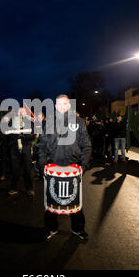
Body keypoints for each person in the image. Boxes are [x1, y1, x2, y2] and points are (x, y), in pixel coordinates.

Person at [37, 94, 92, 241]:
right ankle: (51, 228)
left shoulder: (79, 122)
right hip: (53, 168)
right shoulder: (48, 123)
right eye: (59, 104)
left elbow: (86, 146)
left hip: (73, 168)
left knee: (75, 200)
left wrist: (83, 165)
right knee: (51, 201)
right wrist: (43, 165)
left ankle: (78, 229)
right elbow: (41, 146)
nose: (62, 106)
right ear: (55, 107)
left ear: (69, 105)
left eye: (65, 104)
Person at [7, 108, 36, 196]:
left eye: (22, 112)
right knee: (14, 169)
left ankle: (30, 188)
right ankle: (14, 188)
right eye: (19, 112)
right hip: (14, 148)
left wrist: (22, 137)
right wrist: (15, 137)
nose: (21, 113)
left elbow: (33, 135)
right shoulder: (12, 122)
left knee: (27, 169)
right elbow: (7, 134)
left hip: (26, 147)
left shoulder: (30, 123)